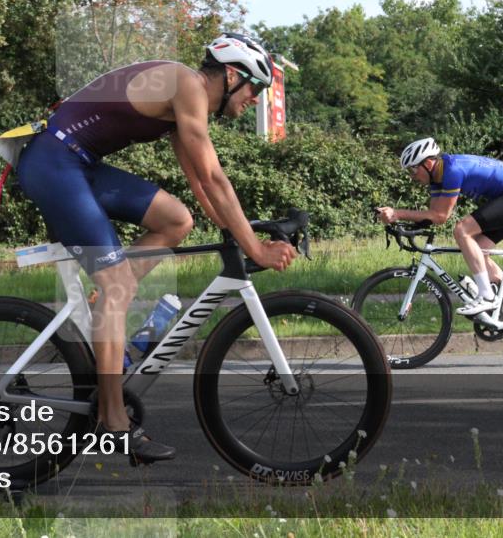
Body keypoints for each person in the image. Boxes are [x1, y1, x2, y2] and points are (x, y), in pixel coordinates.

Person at [15, 33, 297, 463]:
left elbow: (200, 183)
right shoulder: (187, 85)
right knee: (117, 291)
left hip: (77, 164)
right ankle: (113, 422)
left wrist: (233, 229)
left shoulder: (185, 99)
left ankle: (106, 301)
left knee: (176, 220)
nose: (255, 101)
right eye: (255, 89)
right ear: (232, 75)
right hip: (55, 164)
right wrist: (255, 248)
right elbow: (215, 180)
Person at [376, 138, 503, 317]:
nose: (412, 175)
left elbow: (441, 215)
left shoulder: (452, 170)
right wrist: (400, 223)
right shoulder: (437, 179)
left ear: (428, 163)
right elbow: (434, 216)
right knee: (478, 250)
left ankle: (487, 296)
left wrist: (397, 213)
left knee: (462, 230)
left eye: (413, 169)